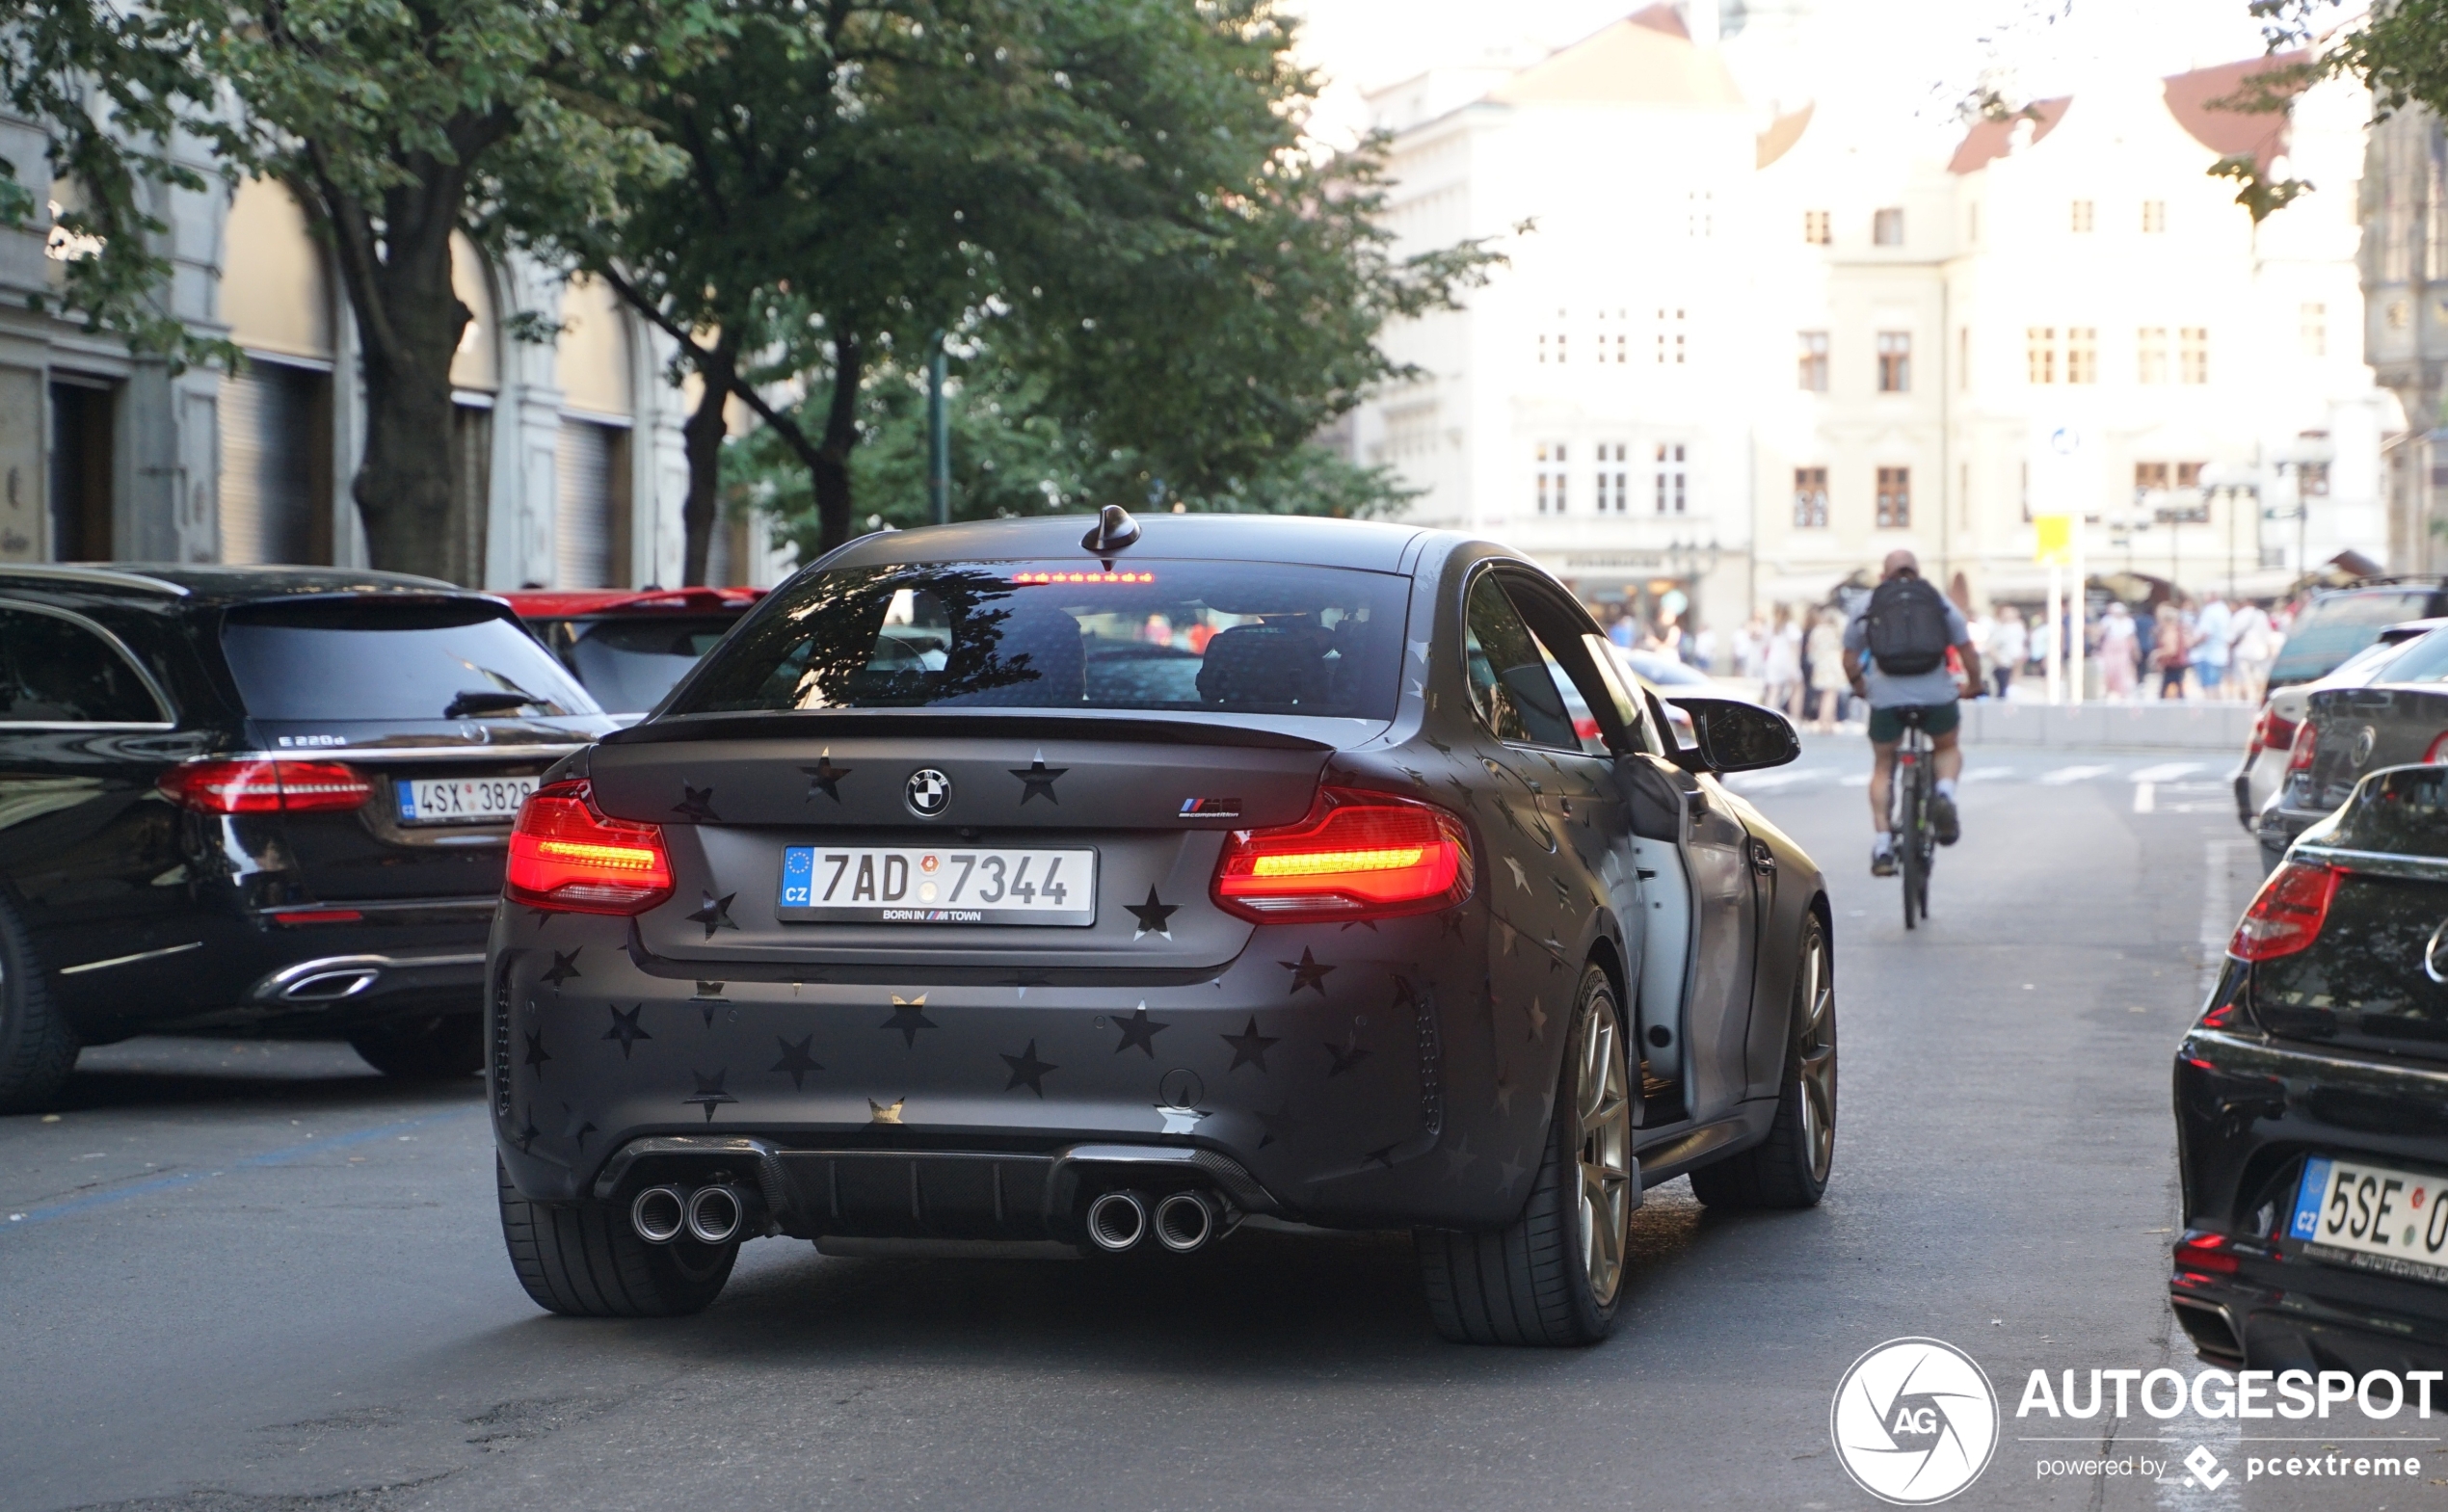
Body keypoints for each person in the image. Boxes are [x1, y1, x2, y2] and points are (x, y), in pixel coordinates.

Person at [1844, 550, 1981, 877]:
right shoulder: (1938, 602)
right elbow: (1967, 651)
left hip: (1886, 696)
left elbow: (1849, 659)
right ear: (1917, 573)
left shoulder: (1867, 604)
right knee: (1947, 747)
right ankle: (1944, 794)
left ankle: (1882, 846)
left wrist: (1862, 686)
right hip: (1936, 694)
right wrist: (1974, 684)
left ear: (1883, 575)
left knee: (1883, 765)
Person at [1806, 609, 1848, 734]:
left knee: (1824, 694)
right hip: (1834, 663)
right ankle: (1827, 721)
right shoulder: (1837, 632)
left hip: (1821, 663)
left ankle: (1824, 720)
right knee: (1831, 695)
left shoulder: (1817, 631)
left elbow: (1810, 648)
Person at [2230, 598, 2277, 703]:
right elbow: (2267, 634)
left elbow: (2232, 636)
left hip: (2242, 652)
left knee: (2243, 679)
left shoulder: (2239, 615)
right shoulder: (2261, 615)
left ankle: (2245, 703)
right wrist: (2270, 649)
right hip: (2259, 651)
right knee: (2259, 679)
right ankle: (2258, 700)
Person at [1763, 607, 1803, 720]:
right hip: (1786, 661)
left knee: (1773, 690)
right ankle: (1795, 716)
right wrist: (1794, 667)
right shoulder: (1791, 627)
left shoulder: (1771, 626)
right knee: (1797, 688)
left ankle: (1769, 715)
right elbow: (1794, 649)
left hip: (1772, 660)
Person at [2193, 592, 2233, 700]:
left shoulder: (2210, 610)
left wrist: (2192, 643)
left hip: (2208, 654)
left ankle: (2211, 712)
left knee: (2209, 687)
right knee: (2216, 686)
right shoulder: (2224, 610)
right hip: (2220, 653)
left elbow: (2205, 633)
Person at [2098, 602, 2140, 700]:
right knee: (2109, 667)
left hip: (2122, 646)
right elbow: (2101, 633)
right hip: (2110, 645)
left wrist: (2135, 650)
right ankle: (2109, 689)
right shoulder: (2107, 620)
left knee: (2122, 668)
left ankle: (2122, 691)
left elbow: (2131, 637)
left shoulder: (2128, 622)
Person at [1989, 605, 2027, 699]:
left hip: (2016, 663)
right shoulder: (2001, 629)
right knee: (2003, 693)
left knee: (2013, 690)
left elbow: (2021, 643)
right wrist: (1998, 661)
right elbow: (1991, 646)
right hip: (2004, 664)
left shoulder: (2019, 627)